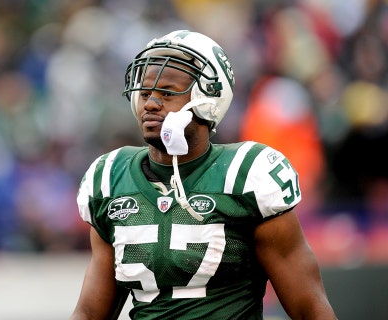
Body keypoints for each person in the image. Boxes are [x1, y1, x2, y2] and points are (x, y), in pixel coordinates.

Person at [69, 30, 336, 320]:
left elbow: (309, 306)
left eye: (167, 93)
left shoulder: (246, 176)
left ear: (209, 100)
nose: (150, 104)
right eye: (145, 93)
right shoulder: (111, 178)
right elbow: (90, 312)